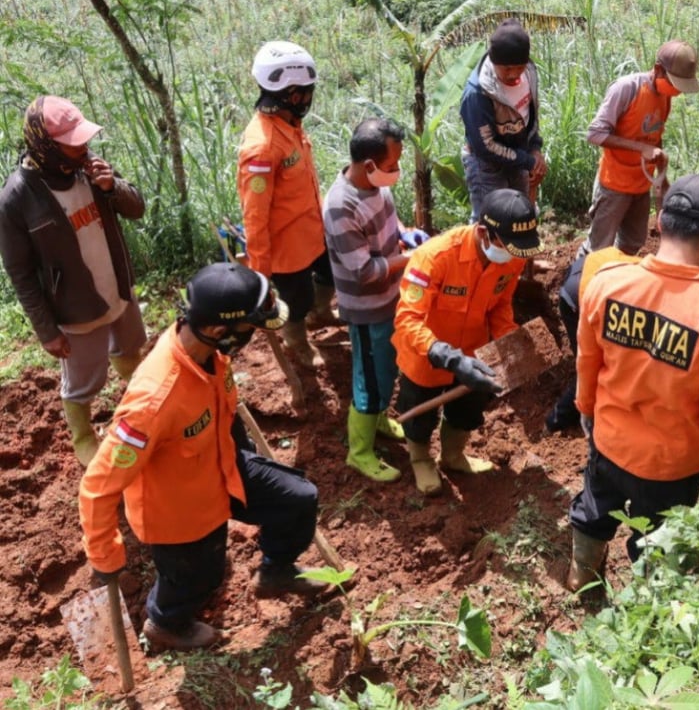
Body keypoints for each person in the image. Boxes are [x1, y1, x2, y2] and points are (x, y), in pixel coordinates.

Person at [78, 263, 327, 650]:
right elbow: (97, 486)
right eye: (250, 328)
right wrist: (104, 554)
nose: (254, 337)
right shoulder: (153, 401)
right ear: (217, 330)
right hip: (180, 512)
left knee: (298, 499)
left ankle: (275, 572)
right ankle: (165, 623)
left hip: (223, 466)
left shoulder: (208, 351)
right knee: (200, 579)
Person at [567, 174, 699, 590]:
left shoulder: (606, 282)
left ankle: (582, 578)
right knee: (657, 541)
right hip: (672, 466)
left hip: (609, 440)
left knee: (595, 509)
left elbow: (587, 363)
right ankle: (643, 611)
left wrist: (586, 410)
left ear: (660, 222)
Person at [0, 96, 147, 466]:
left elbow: (136, 208)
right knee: (83, 381)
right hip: (76, 306)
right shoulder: (17, 200)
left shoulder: (90, 169)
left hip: (117, 284)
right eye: (72, 142)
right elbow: (20, 272)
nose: (82, 147)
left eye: (83, 139)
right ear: (45, 146)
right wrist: (46, 329)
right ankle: (83, 433)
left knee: (130, 347)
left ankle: (141, 403)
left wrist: (113, 187)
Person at [392, 189, 542, 495]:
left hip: (475, 352)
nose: (513, 255)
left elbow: (500, 305)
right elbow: (407, 319)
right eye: (507, 246)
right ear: (484, 233)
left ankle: (452, 456)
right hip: (426, 355)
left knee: (467, 409)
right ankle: (420, 459)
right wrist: (447, 357)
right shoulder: (434, 257)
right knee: (419, 414)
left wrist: (509, 345)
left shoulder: (511, 258)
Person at [323, 118, 428, 482]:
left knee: (387, 369)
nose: (396, 171)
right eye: (391, 165)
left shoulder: (377, 185)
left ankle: (380, 418)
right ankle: (360, 451)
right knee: (369, 377)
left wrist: (406, 235)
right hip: (368, 308)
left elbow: (390, 225)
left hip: (392, 298)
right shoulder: (341, 207)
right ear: (368, 165)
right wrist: (413, 259)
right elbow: (363, 271)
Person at [238, 40, 336, 370]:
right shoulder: (262, 149)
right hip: (286, 248)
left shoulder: (290, 124)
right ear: (289, 93)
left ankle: (319, 314)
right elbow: (255, 217)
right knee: (296, 300)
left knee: (330, 272)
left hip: (313, 230)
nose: (309, 97)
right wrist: (261, 276)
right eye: (305, 91)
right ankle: (297, 341)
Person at [578, 40, 699, 256]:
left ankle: (618, 280)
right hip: (614, 183)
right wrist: (640, 148)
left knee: (633, 242)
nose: (677, 92)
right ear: (657, 70)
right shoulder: (628, 88)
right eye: (674, 84)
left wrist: (662, 174)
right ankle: (578, 286)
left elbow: (655, 136)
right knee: (598, 248)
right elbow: (594, 134)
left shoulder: (665, 97)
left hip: (642, 185)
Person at [544, 247, 640, 432]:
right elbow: (589, 362)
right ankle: (554, 422)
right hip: (580, 291)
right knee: (592, 366)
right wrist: (587, 409)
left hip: (594, 265)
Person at [459, 19, 546, 221]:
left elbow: (530, 116)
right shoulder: (477, 93)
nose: (514, 74)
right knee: (489, 222)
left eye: (519, 67)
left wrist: (535, 148)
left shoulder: (529, 74)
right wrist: (527, 160)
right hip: (486, 165)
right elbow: (486, 146)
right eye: (506, 69)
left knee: (520, 216)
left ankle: (516, 253)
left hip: (520, 156)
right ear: (493, 61)